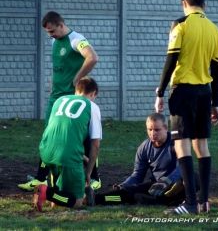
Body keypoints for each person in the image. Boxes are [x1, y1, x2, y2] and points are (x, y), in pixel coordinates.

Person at [154, 0, 218, 215]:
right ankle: (204, 202)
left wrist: (160, 92)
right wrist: (215, 103)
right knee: (201, 146)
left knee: (181, 144)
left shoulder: (180, 25)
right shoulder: (214, 29)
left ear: (184, 4)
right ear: (204, 5)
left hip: (182, 91)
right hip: (205, 93)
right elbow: (217, 70)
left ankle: (191, 203)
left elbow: (171, 59)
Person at [18, 11, 101, 191]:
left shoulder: (75, 39)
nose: (50, 34)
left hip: (72, 97)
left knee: (83, 138)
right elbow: (58, 68)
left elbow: (93, 57)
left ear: (61, 25)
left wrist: (77, 78)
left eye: (52, 30)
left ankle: (94, 177)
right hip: (56, 98)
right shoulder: (56, 41)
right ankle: (41, 179)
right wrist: (51, 86)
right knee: (50, 136)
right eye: (48, 32)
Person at [92, 113, 199, 206]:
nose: (153, 133)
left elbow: (182, 166)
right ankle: (94, 199)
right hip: (156, 187)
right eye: (150, 130)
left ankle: (159, 201)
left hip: (174, 184)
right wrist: (123, 185)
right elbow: (138, 174)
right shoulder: (144, 147)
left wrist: (167, 180)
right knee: (127, 191)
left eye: (157, 130)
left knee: (194, 178)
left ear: (166, 128)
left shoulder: (177, 142)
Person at [32, 76, 102, 212]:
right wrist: (89, 173)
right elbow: (95, 145)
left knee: (61, 197)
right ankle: (47, 192)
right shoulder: (92, 106)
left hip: (46, 151)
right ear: (93, 93)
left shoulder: (60, 100)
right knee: (77, 202)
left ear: (76, 90)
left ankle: (55, 196)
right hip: (65, 156)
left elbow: (63, 134)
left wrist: (82, 158)